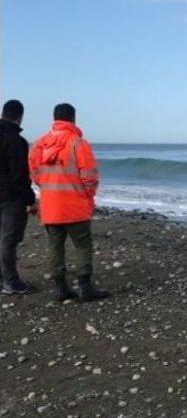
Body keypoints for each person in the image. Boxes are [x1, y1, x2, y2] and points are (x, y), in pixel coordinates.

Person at [29, 103, 108, 302]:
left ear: (54, 118)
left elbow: (35, 175)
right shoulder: (78, 143)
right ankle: (85, 287)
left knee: (55, 246)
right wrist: (88, 197)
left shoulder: (38, 145)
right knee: (82, 245)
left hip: (50, 207)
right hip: (75, 207)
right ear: (73, 119)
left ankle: (60, 288)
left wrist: (48, 189)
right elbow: (89, 177)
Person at [0, 99, 38, 294]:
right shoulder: (16, 141)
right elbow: (20, 175)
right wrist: (31, 200)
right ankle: (11, 282)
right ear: (19, 117)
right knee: (9, 239)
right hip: (10, 198)